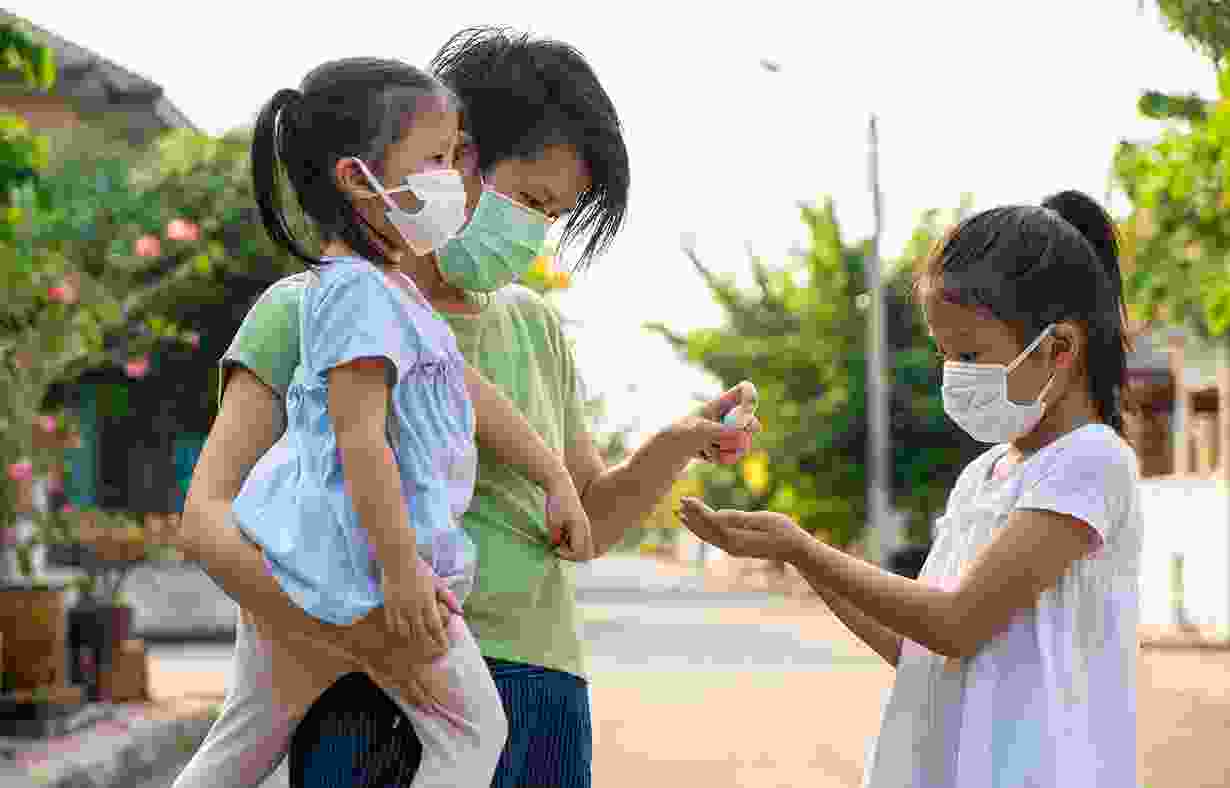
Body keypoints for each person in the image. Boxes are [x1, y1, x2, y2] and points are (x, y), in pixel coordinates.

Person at [176, 26, 761, 788]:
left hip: (545, 690)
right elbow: (206, 521)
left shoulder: (532, 326)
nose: (535, 233)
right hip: (381, 686)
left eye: (555, 216)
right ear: (454, 153)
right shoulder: (309, 306)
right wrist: (351, 635)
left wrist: (676, 442)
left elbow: (581, 524)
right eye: (531, 201)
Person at [171, 56, 596, 788]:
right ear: (357, 178)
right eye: (434, 160)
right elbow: (358, 440)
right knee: (474, 731)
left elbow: (471, 393)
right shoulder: (357, 296)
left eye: (454, 158)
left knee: (236, 752)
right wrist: (401, 574)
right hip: (357, 572)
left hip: (307, 564)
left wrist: (554, 477)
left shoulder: (389, 292)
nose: (452, 181)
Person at [680, 190, 1142, 787]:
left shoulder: (1091, 461)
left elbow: (955, 623)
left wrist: (801, 546)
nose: (955, 374)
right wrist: (797, 552)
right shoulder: (983, 475)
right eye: (946, 354)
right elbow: (915, 644)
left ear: (1059, 349)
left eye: (970, 353)